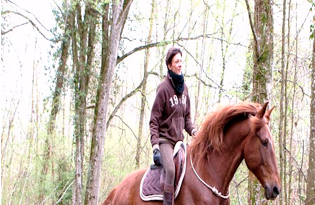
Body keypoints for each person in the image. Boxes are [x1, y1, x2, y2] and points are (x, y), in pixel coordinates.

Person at [149, 46, 197, 205]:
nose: (180, 64)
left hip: (180, 142)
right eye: (177, 62)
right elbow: (154, 120)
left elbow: (187, 119)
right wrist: (155, 146)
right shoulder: (163, 88)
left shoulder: (185, 89)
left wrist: (195, 132)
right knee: (170, 170)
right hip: (165, 141)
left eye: (181, 61)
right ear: (169, 65)